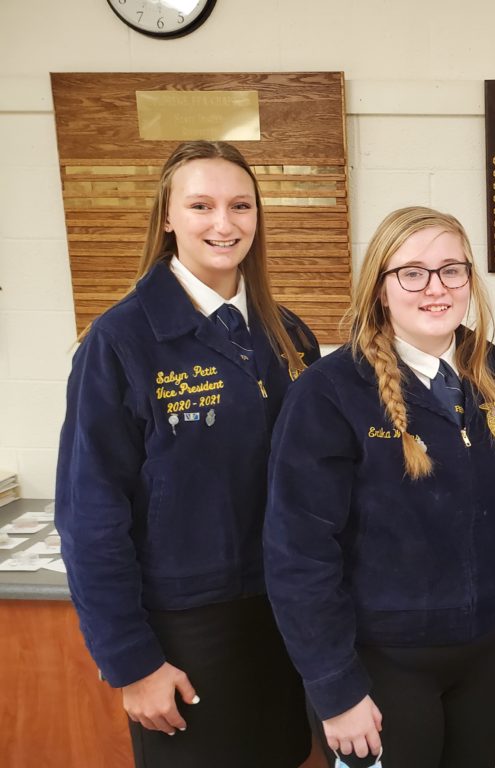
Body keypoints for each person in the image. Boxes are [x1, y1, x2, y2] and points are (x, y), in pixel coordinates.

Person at [56, 140, 320, 768]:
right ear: (168, 217)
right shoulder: (120, 342)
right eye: (201, 205)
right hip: (186, 629)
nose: (223, 224)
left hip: (286, 616)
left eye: (240, 206)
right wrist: (131, 661)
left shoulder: (289, 335)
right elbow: (90, 515)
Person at [263, 206, 495, 768]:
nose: (436, 288)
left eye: (452, 269)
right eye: (413, 272)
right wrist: (333, 685)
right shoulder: (329, 395)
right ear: (380, 288)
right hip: (380, 664)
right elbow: (298, 554)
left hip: (487, 654)